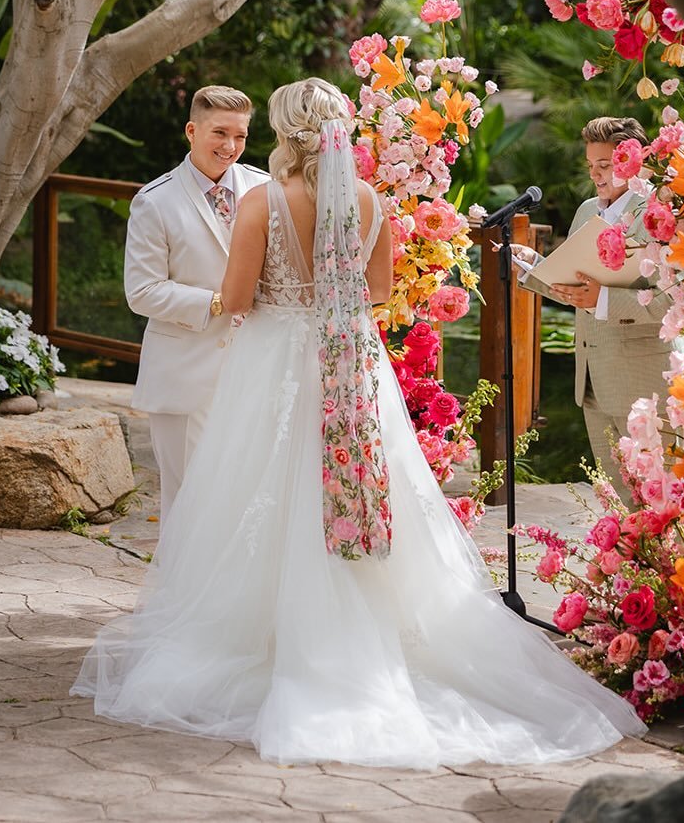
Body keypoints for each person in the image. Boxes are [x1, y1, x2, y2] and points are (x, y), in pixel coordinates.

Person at [74, 78, 645, 768]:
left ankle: (263, 639)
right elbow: (377, 291)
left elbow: (236, 298)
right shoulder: (370, 201)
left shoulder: (261, 200)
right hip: (349, 362)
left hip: (275, 363)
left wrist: (279, 295)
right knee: (363, 483)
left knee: (257, 488)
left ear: (285, 132)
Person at [124, 85, 268, 527]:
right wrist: (220, 302)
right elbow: (142, 291)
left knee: (245, 498)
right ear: (191, 131)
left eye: (240, 136)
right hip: (183, 374)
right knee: (186, 502)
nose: (230, 146)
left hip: (254, 370)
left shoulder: (265, 189)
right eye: (219, 133)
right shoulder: (155, 200)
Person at [519, 115, 674, 496]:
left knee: (662, 501)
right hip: (591, 382)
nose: (595, 174)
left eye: (604, 165)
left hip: (645, 383)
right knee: (619, 504)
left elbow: (674, 301)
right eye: (591, 165)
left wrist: (603, 298)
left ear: (633, 160)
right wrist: (533, 266)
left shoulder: (661, 212)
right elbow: (578, 290)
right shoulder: (587, 210)